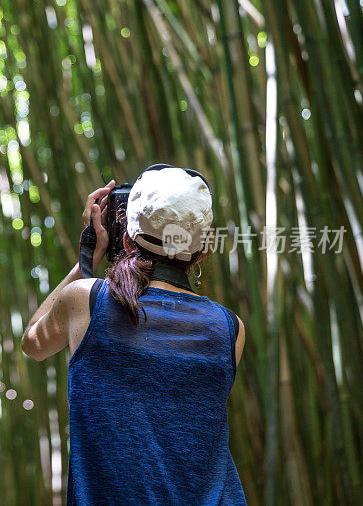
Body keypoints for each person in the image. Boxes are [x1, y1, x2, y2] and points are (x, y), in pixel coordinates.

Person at [21, 165, 247, 505]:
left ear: (126, 237)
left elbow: (33, 344)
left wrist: (91, 253)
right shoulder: (230, 328)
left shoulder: (87, 300)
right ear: (202, 252)